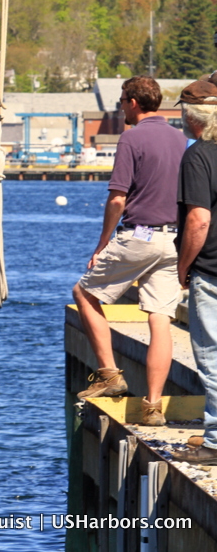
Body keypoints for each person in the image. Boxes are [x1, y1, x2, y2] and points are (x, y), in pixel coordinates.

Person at [72, 75, 186, 427]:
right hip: (174, 241)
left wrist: (103, 241)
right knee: (160, 320)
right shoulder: (182, 139)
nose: (121, 106)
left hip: (141, 235)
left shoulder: (131, 138)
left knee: (85, 293)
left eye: (122, 100)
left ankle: (109, 374)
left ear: (134, 102)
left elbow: (118, 197)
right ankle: (152, 407)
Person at [172, 80, 217, 464]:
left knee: (213, 358)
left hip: (212, 271)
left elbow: (198, 220)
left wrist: (183, 265)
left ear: (192, 117)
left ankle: (216, 443)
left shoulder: (198, 156)